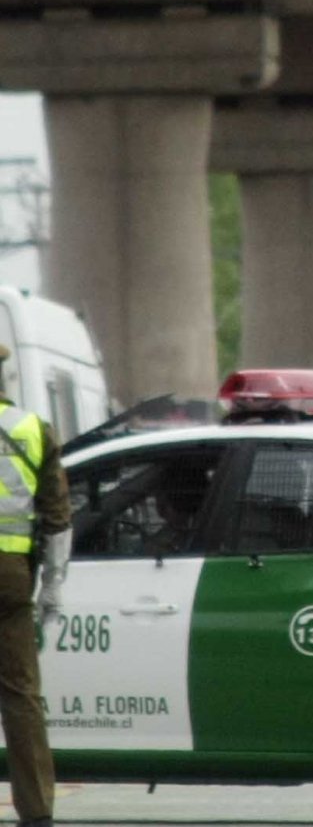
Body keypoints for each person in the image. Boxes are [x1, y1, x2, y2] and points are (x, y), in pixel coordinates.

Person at [0, 343, 72, 827]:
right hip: (11, 577)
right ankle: (37, 812)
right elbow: (58, 518)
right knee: (21, 695)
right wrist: (53, 585)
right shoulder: (32, 428)